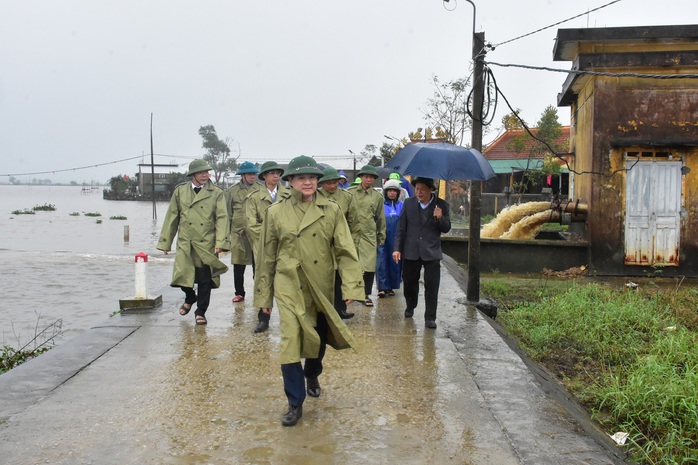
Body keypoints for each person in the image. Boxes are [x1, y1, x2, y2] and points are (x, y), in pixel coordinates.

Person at [253, 155, 364, 427]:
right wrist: (263, 298)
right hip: (289, 282)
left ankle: (312, 373)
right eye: (301, 177)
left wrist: (351, 286)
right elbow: (266, 257)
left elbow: (345, 250)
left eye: (312, 177)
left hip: (321, 282)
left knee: (317, 336)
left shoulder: (332, 209)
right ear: (289, 181)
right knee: (290, 339)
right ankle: (294, 401)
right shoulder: (276, 212)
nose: (308, 182)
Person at [157, 159, 231, 326]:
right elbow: (172, 217)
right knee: (182, 275)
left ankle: (201, 311)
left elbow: (222, 218)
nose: (205, 175)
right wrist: (165, 243)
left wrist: (221, 241)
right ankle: (190, 296)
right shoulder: (180, 192)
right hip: (186, 241)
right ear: (193, 175)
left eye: (207, 172)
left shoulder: (217, 193)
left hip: (206, 242)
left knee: (205, 279)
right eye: (201, 172)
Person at [392, 177, 451, 329]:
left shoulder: (441, 205)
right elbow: (401, 228)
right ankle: (411, 305)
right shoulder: (409, 203)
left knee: (432, 286)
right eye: (417, 189)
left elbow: (446, 228)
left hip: (431, 252)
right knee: (409, 282)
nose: (419, 192)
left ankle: (430, 317)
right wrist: (397, 248)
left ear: (431, 190)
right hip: (411, 250)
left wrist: (440, 217)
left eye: (422, 189)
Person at [245, 160, 290, 333]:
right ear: (264, 176)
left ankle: (289, 318)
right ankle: (263, 319)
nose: (276, 176)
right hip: (262, 248)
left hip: (285, 246)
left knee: (287, 281)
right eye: (272, 173)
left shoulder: (288, 195)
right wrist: (269, 236)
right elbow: (250, 224)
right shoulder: (254, 197)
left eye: (278, 173)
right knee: (263, 281)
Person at [318, 166, 359, 319]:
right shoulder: (315, 196)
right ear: (322, 183)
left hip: (341, 241)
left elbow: (353, 220)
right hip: (322, 242)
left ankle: (341, 309)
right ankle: (324, 310)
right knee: (324, 276)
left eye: (335, 182)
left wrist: (351, 242)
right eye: (329, 183)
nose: (332, 186)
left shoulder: (347, 197)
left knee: (340, 276)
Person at [348, 165, 386, 307]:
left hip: (369, 234)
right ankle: (350, 293)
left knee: (369, 266)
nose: (368, 179)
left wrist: (381, 236)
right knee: (351, 264)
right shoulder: (350, 193)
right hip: (352, 234)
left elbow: (380, 217)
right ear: (361, 177)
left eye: (371, 177)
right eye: (366, 176)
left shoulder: (377, 197)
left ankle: (365, 294)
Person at [227, 161, 260, 304]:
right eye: (249, 174)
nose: (252, 176)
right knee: (238, 264)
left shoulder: (261, 189)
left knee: (257, 264)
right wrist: (225, 236)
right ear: (242, 175)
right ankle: (239, 292)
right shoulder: (232, 191)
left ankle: (259, 292)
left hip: (256, 232)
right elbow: (227, 213)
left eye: (254, 174)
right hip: (238, 233)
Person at [376, 179, 403, 298]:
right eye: (389, 191)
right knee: (381, 261)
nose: (392, 193)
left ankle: (391, 286)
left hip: (396, 238)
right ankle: (382, 287)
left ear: (398, 193)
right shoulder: (380, 205)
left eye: (394, 191)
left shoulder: (402, 205)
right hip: (383, 236)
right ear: (385, 192)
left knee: (395, 262)